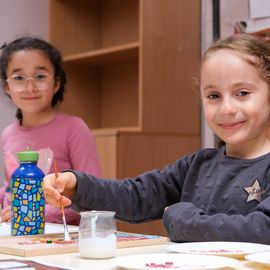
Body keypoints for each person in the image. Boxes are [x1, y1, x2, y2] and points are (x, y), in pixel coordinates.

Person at [43, 33, 270, 243]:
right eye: (214, 96)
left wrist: (182, 220)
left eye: (242, 93)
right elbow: (135, 196)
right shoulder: (198, 165)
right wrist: (76, 185)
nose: (227, 108)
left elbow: (262, 229)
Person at [0, 37, 101, 225]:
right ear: (7, 87)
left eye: (39, 76)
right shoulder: (7, 134)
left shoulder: (75, 129)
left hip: (60, 240)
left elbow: (91, 194)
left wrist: (31, 213)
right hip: (16, 233)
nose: (30, 87)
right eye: (19, 78)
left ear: (56, 83)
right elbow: (10, 188)